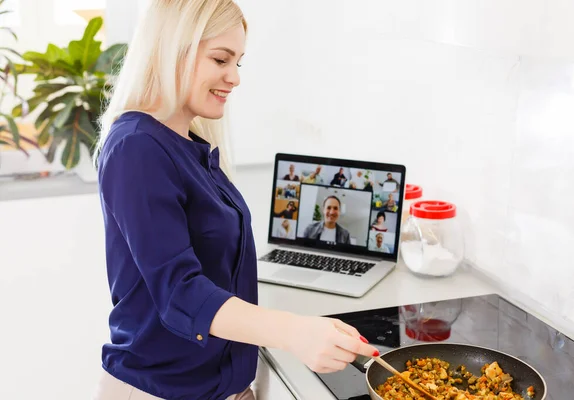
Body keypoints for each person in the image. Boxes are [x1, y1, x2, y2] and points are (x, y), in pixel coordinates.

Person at [92, 2, 379, 400]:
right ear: (171, 49)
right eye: (220, 59)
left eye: (238, 62)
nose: (234, 78)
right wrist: (294, 331)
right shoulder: (137, 149)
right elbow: (181, 293)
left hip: (222, 386)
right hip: (160, 390)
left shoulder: (190, 145)